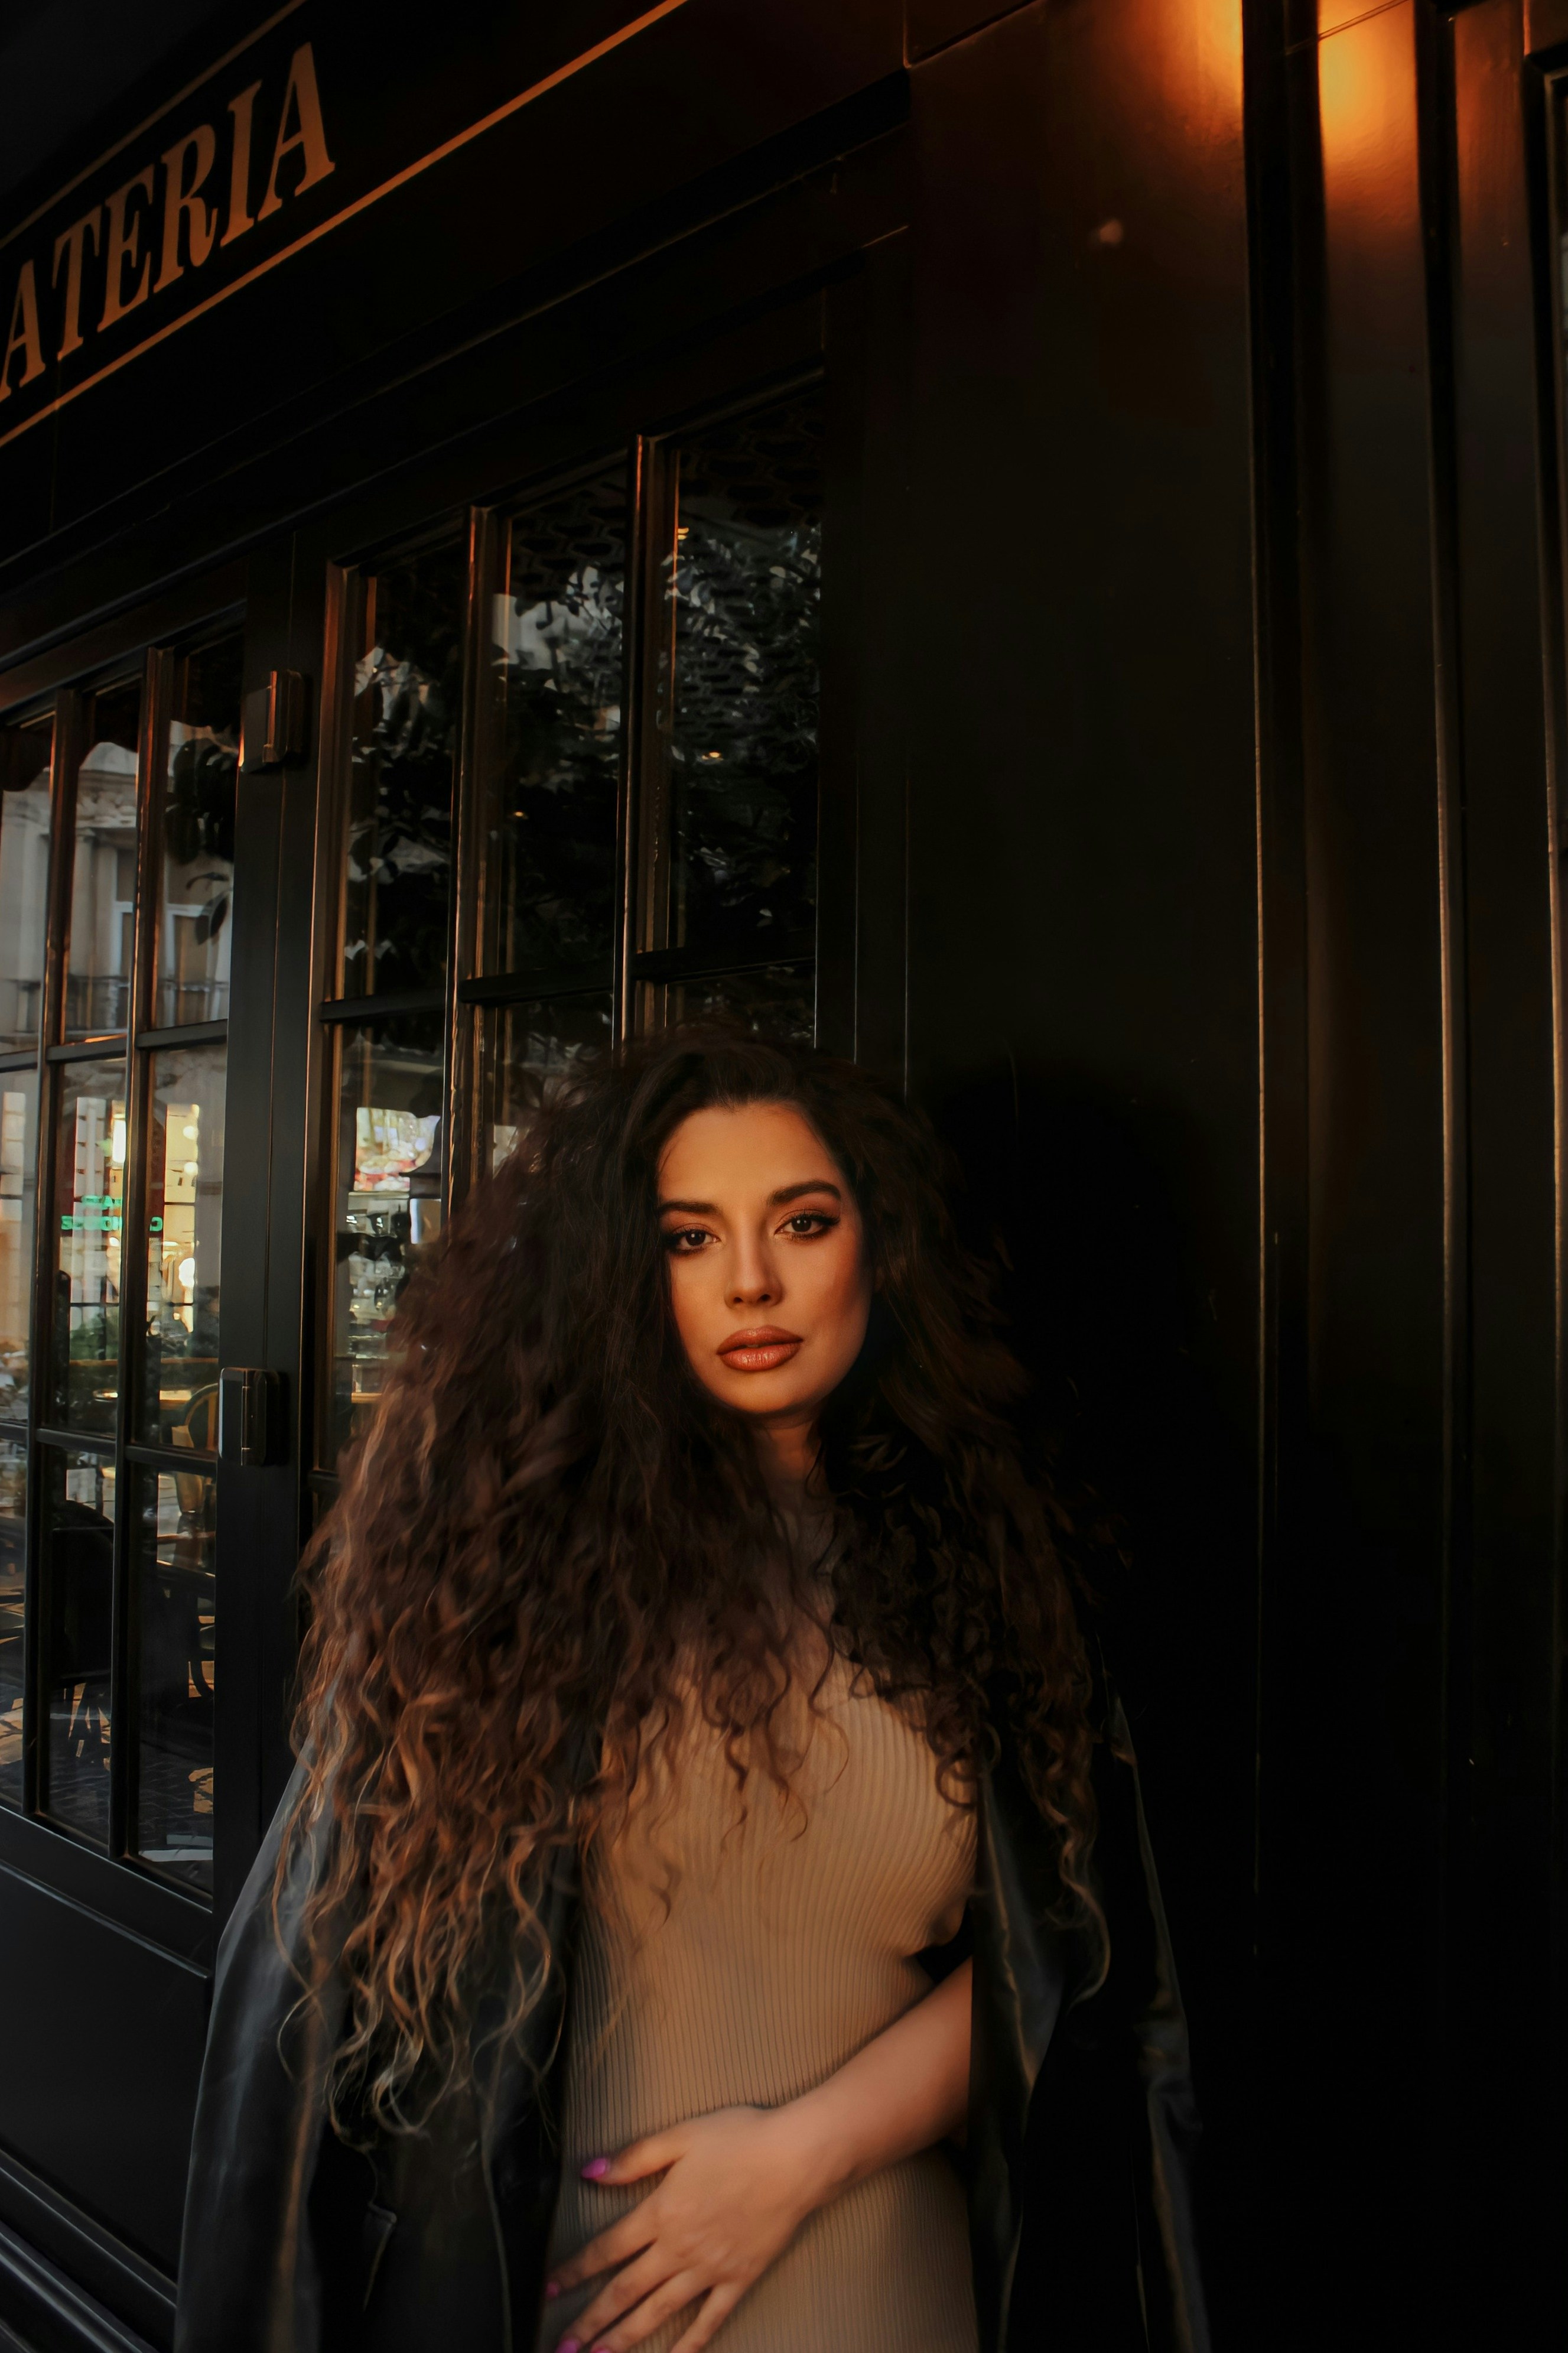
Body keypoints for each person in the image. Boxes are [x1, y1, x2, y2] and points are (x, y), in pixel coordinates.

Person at [174, 1028, 1206, 2353]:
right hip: (564, 2304)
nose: (753, 1281)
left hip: (892, 2287)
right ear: (620, 1272)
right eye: (689, 1236)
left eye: (803, 1220)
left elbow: (1069, 1942)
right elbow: (289, 2026)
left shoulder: (989, 1563)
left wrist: (802, 2154)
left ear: (877, 1250)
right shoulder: (498, 1579)